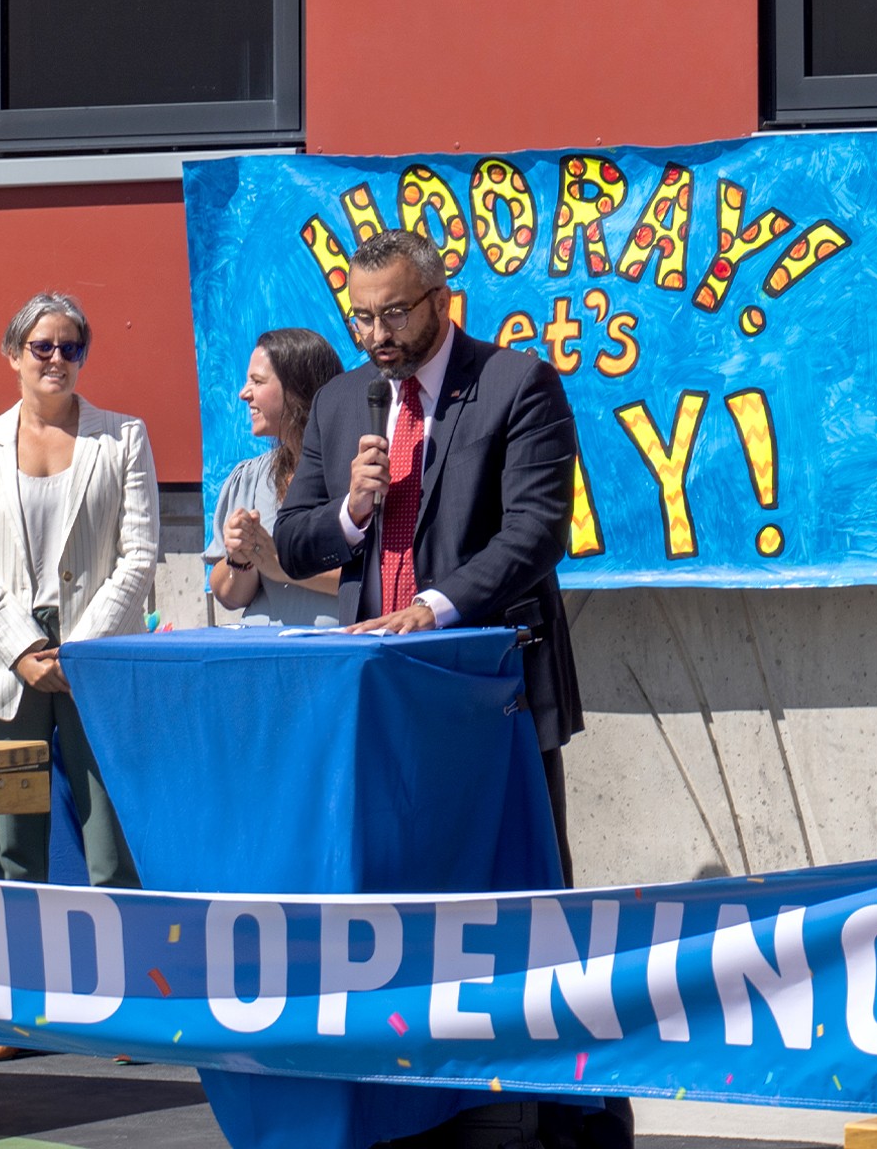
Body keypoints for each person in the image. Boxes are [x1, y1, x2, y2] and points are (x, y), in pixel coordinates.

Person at [276, 231, 628, 1149]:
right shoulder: (342, 401)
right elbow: (299, 538)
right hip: (383, 702)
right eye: (361, 315)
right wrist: (352, 507)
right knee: (399, 896)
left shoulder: (517, 386)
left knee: (525, 898)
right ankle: (420, 1090)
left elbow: (536, 534)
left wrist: (433, 608)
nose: (378, 334)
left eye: (396, 312)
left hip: (488, 688)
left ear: (442, 298)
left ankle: (563, 1105)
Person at [0, 291, 157, 891]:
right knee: (14, 852)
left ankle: (128, 971)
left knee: (113, 851)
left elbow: (138, 554)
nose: (56, 358)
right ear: (14, 354)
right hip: (3, 663)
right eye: (42, 346)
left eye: (71, 347)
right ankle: (21, 976)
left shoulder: (124, 437)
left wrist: (77, 652)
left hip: (98, 658)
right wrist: (22, 649)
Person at [206, 327, 346, 627]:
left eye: (257, 381)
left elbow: (380, 579)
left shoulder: (355, 476)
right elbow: (229, 597)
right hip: (261, 657)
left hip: (335, 655)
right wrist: (241, 559)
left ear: (298, 389)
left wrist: (282, 566)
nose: (244, 393)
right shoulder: (250, 478)